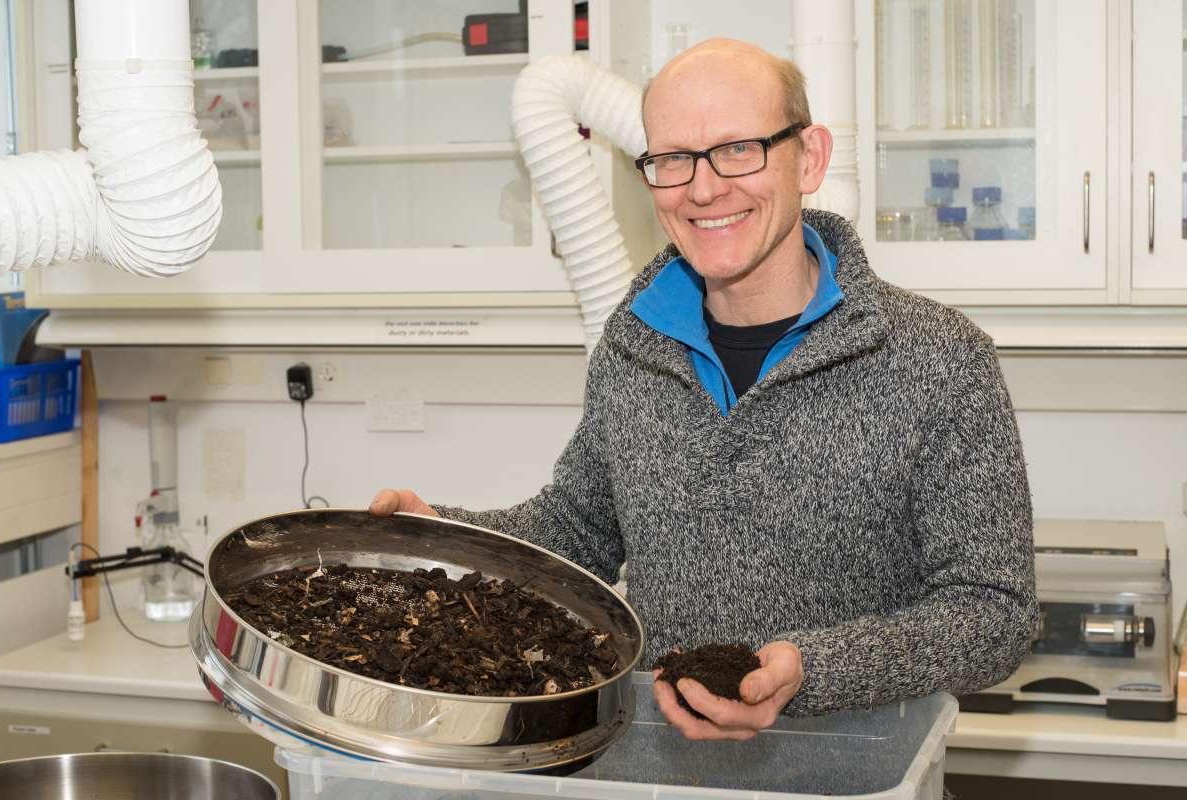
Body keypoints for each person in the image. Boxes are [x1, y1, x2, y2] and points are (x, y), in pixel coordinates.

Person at [371, 39, 1036, 743]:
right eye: (673, 159)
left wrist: (813, 668)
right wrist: (448, 537)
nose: (704, 188)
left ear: (809, 158)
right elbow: (578, 531)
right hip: (661, 771)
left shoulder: (939, 359)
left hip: (858, 773)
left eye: (739, 149)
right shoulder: (634, 344)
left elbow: (994, 614)